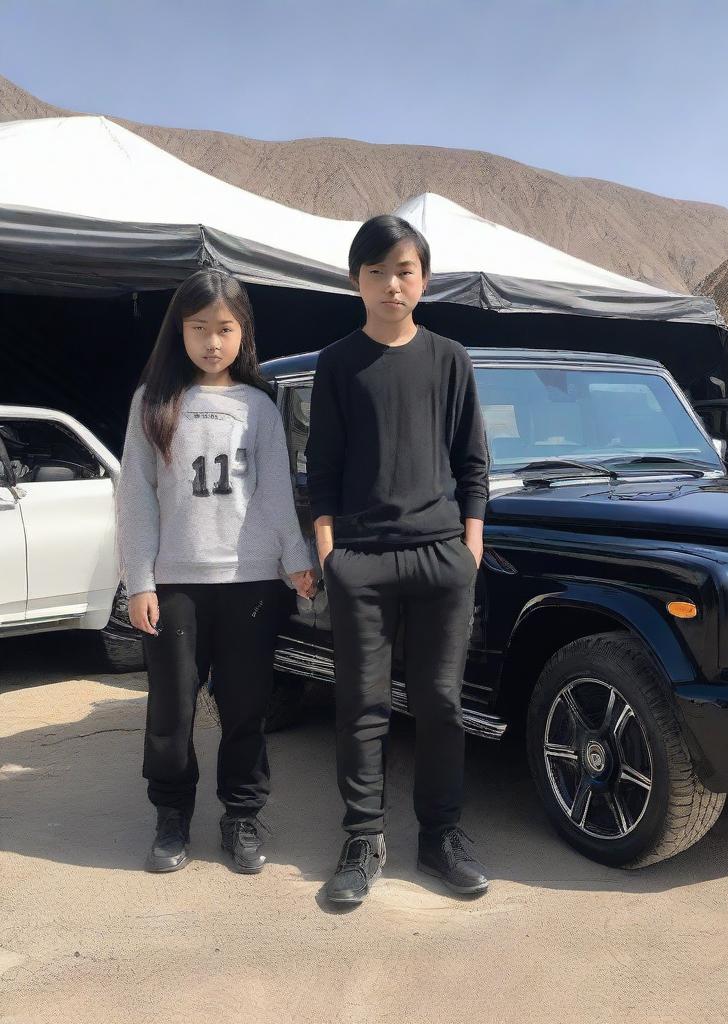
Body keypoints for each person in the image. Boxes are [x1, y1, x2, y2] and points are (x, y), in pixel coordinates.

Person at [306, 215, 490, 904]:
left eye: (404, 270)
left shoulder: (450, 359)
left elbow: (474, 462)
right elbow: (319, 469)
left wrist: (469, 545)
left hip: (442, 558)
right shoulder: (337, 363)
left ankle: (440, 837)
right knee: (362, 707)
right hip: (361, 560)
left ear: (424, 280)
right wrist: (331, 553)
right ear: (356, 280)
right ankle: (362, 840)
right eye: (377, 271)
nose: (391, 284)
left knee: (442, 705)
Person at [115, 269, 316, 875]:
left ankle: (242, 815)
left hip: (251, 584)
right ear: (179, 330)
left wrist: (296, 560)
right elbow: (138, 497)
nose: (211, 342)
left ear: (243, 333)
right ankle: (172, 815)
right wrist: (140, 581)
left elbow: (277, 490)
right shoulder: (153, 402)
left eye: (225, 329)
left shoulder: (258, 406)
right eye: (199, 328)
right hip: (176, 584)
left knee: (245, 706)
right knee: (172, 709)